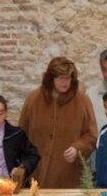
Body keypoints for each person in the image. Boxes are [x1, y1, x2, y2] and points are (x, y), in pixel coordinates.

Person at [19, 57, 97, 188]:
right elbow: (22, 135)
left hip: (68, 176)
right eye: (60, 78)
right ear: (51, 78)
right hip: (35, 175)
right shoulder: (33, 99)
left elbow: (91, 135)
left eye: (68, 78)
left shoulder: (82, 101)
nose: (65, 82)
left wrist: (77, 148)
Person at [0, 93, 40, 187]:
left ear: (6, 113)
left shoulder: (16, 134)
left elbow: (34, 155)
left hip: (10, 186)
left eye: (1, 113)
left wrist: (22, 167)